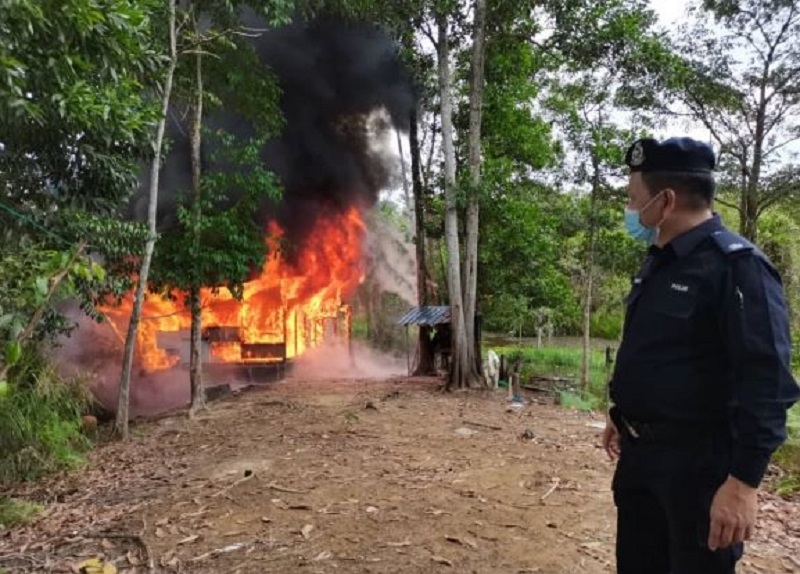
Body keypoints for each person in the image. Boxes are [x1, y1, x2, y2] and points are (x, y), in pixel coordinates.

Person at [603, 136, 799, 574]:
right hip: (640, 461)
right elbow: (660, 353)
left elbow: (766, 386)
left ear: (665, 199)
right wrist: (623, 415)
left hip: (699, 472)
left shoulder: (737, 268)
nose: (630, 211)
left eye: (634, 199)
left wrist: (743, 484)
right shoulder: (659, 260)